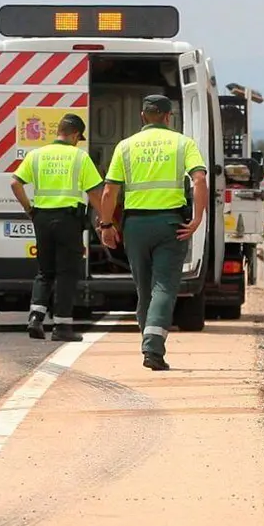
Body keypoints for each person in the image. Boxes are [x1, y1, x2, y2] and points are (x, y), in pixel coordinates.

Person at [98, 94, 208, 371]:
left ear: (143, 116)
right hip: (170, 226)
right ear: (168, 116)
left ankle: (148, 343)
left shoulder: (125, 146)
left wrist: (107, 225)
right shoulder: (183, 143)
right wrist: (197, 219)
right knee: (164, 287)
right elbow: (200, 180)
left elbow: (110, 191)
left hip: (135, 227)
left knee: (144, 288)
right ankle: (153, 349)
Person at [11, 113, 105, 341]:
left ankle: (35, 317)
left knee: (44, 271)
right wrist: (105, 218)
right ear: (74, 134)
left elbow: (15, 183)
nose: (77, 141)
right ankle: (62, 327)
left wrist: (29, 210)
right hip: (68, 220)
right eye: (78, 137)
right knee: (66, 272)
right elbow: (94, 192)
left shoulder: (37, 155)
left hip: (42, 218)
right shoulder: (79, 158)